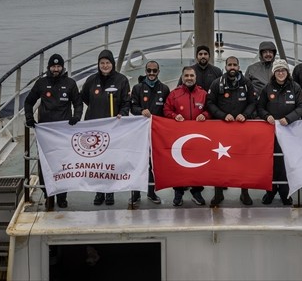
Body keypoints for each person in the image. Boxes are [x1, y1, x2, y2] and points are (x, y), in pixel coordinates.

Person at [23, 52, 82, 210]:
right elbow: (28, 102)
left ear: (63, 67)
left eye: (58, 66)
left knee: (64, 164)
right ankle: (48, 192)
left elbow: (78, 103)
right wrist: (29, 118)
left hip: (64, 133)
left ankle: (62, 196)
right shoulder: (41, 83)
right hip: (46, 133)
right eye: (53, 66)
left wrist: (76, 117)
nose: (56, 69)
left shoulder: (70, 83)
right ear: (49, 67)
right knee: (46, 164)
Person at [205, 55, 257, 206]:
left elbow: (253, 102)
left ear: (239, 67)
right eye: (230, 65)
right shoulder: (217, 83)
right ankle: (218, 193)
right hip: (222, 129)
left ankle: (244, 192)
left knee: (243, 160)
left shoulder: (247, 83)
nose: (232, 67)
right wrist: (222, 115)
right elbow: (210, 103)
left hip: (242, 128)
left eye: (235, 65)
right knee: (219, 162)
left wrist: (245, 114)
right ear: (226, 67)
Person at [82, 49, 131, 205]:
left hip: (113, 128)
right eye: (102, 63)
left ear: (113, 64)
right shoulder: (91, 80)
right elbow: (85, 98)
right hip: (94, 127)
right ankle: (99, 192)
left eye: (107, 63)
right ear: (98, 64)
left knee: (111, 161)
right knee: (97, 161)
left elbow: (126, 103)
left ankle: (110, 192)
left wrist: (121, 114)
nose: (105, 66)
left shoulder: (121, 80)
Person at [255, 58, 302, 205]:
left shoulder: (295, 87)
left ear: (287, 72)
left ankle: (285, 192)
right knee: (272, 161)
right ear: (274, 73)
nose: (281, 73)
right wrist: (267, 116)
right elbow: (260, 107)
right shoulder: (267, 88)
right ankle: (270, 192)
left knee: (286, 161)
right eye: (278, 70)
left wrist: (289, 118)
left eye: (283, 70)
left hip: (290, 131)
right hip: (272, 132)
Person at [163, 66, 209, 206]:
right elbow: (166, 109)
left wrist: (205, 115)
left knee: (197, 164)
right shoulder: (174, 94)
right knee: (178, 165)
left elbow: (210, 109)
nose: (189, 78)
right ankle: (178, 192)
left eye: (191, 76)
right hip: (179, 138)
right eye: (186, 76)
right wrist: (174, 115)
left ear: (195, 78)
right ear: (182, 78)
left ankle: (197, 191)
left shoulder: (203, 94)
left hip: (197, 137)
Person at [128, 60, 168, 204]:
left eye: (154, 71)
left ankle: (151, 193)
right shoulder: (137, 88)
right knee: (140, 162)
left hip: (156, 132)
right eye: (149, 70)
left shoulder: (164, 89)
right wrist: (140, 111)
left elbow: (166, 111)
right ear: (145, 71)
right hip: (140, 132)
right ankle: (136, 193)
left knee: (153, 163)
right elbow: (132, 107)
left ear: (158, 72)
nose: (151, 73)